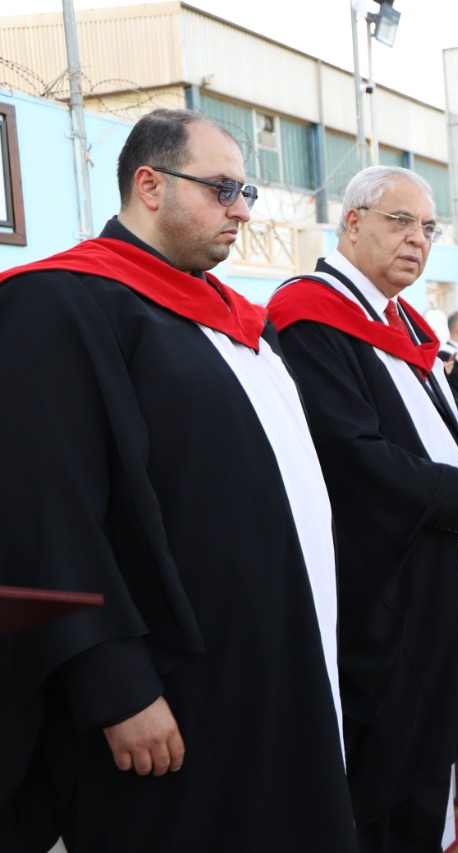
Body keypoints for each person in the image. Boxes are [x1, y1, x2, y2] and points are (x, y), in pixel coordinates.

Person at [0, 109, 356, 850]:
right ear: (150, 184)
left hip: (275, 654)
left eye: (247, 191)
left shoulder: (233, 320)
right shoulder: (61, 301)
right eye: (223, 188)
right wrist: (115, 685)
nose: (242, 210)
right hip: (175, 684)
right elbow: (42, 512)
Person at [266, 165, 458, 851]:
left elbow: (421, 432)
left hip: (430, 575)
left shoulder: (398, 319)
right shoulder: (310, 318)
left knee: (425, 770)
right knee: (380, 789)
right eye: (401, 221)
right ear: (352, 223)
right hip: (377, 595)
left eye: (429, 228)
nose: (418, 240)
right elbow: (351, 456)